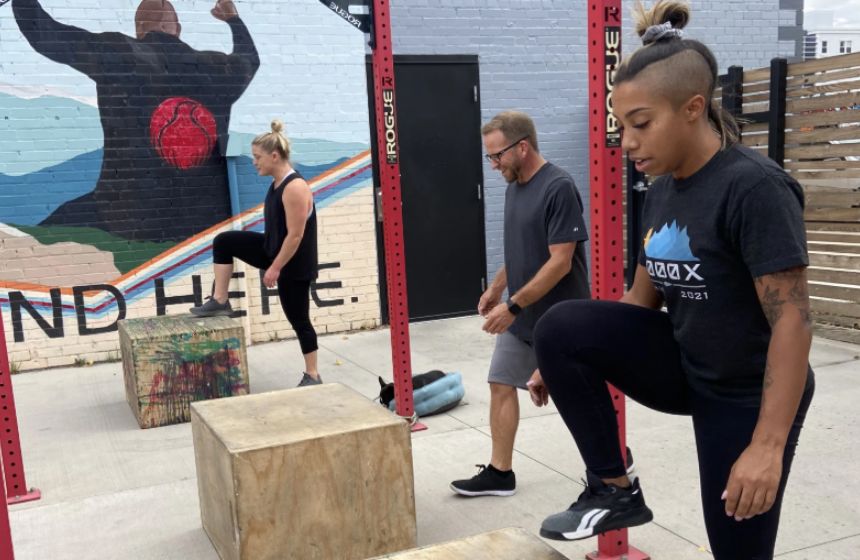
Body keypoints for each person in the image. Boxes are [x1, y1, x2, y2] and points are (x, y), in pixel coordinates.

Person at [528, 2, 815, 558]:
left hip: (747, 393)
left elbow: (794, 323)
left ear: (693, 108)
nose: (627, 142)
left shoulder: (754, 188)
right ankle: (613, 489)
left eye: (640, 124)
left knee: (736, 548)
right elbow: (640, 300)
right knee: (560, 326)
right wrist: (563, 356)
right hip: (688, 367)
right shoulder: (660, 191)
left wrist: (767, 446)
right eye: (621, 127)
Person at [12, 0, 260, 242]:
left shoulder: (118, 53)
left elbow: (45, 34)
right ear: (178, 28)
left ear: (139, 28)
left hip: (126, 218)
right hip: (206, 218)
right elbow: (249, 59)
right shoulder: (217, 69)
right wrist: (233, 19)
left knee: (39, 238)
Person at [449, 111, 591, 497]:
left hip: (561, 318)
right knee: (500, 383)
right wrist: (497, 288)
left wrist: (512, 305)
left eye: (497, 155)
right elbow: (521, 252)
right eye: (489, 156)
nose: (493, 165)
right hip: (523, 316)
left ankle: (611, 465)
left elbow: (560, 262)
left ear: (522, 147)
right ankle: (500, 473)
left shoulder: (558, 187)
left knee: (576, 399)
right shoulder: (515, 188)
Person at [191, 120, 322, 388]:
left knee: (299, 319)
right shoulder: (276, 184)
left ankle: (313, 374)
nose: (254, 162)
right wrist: (271, 259)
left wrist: (275, 268)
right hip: (272, 251)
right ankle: (220, 300)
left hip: (293, 265)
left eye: (257, 157)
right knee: (224, 242)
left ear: (274, 156)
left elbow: (295, 236)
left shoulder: (295, 187)